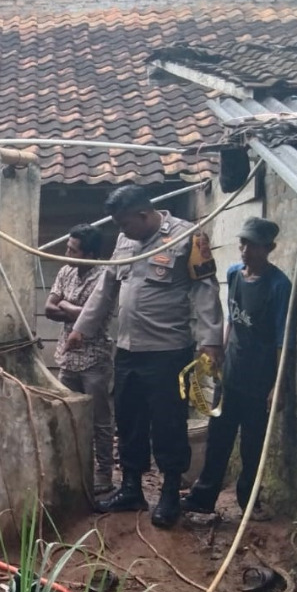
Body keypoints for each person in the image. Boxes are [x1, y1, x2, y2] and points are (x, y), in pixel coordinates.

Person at [68, 185, 223, 528]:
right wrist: (82, 328)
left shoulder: (188, 238)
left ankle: (169, 493)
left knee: (168, 424)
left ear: (143, 214)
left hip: (168, 352)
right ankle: (131, 488)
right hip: (127, 351)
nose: (121, 231)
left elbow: (206, 289)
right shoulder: (125, 242)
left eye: (125, 223)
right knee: (129, 421)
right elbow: (106, 286)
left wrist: (211, 341)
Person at [182, 218, 291, 520]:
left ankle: (248, 503)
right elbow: (232, 319)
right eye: (242, 243)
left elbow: (283, 337)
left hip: (260, 379)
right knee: (218, 438)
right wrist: (221, 354)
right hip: (231, 375)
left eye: (253, 245)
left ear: (269, 248)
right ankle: (203, 498)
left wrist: (277, 385)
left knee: (252, 446)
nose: (244, 250)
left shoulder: (279, 285)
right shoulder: (234, 275)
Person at [45, 224, 116, 495]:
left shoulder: (105, 276)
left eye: (72, 249)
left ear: (89, 253)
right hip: (67, 357)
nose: (67, 253)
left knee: (100, 419)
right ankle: (77, 468)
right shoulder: (66, 271)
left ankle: (104, 474)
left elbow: (95, 317)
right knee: (70, 416)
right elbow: (49, 309)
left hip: (94, 359)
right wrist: (72, 309)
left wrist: (68, 306)